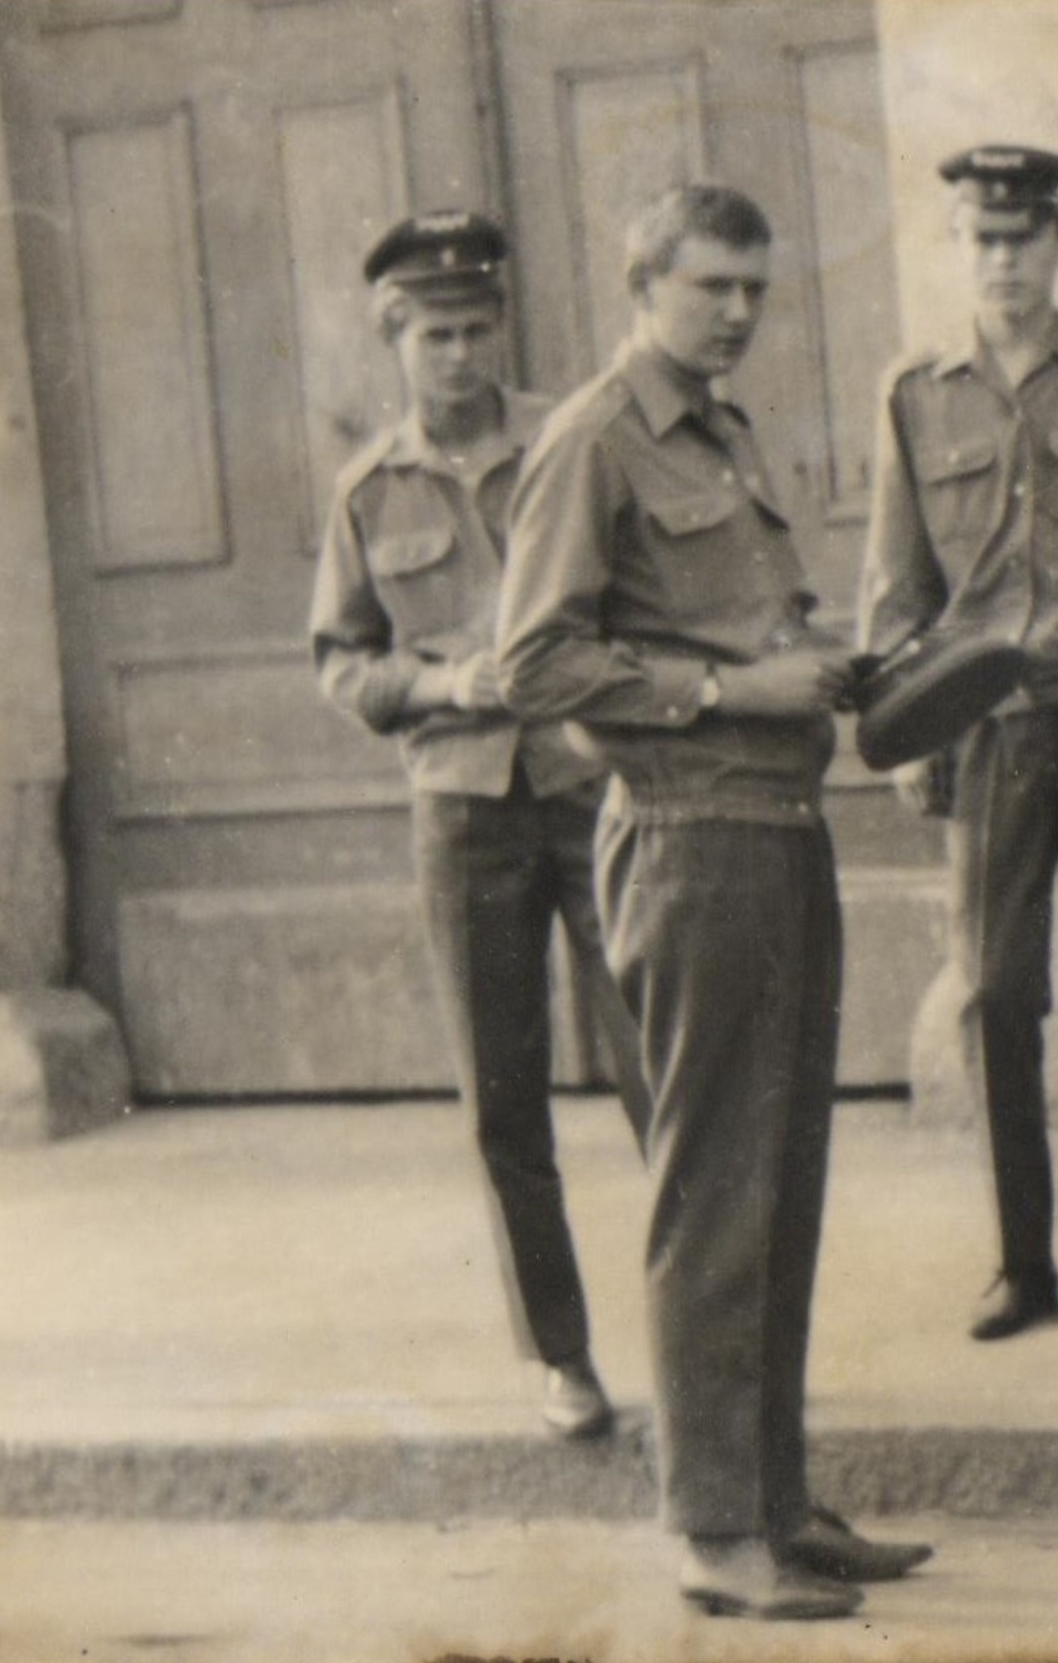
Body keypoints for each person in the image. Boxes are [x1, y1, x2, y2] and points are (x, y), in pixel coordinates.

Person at [496, 182, 930, 1623]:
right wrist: (735, 690)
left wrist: (822, 660)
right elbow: (533, 664)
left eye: (754, 287)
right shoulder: (592, 440)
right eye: (711, 288)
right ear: (643, 288)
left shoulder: (724, 431)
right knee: (714, 1193)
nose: (740, 311)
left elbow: (739, 622)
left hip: (778, 831)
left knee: (780, 1188)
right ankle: (712, 1529)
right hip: (689, 841)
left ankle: (776, 1503)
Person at [308, 209, 651, 1445]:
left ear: (500, 327)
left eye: (473, 329)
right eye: (432, 335)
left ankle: (713, 1330)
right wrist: (444, 683)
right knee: (502, 1099)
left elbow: (636, 589)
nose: (457, 355)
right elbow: (343, 662)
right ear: (392, 339)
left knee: (657, 1059)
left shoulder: (569, 439)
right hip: (462, 808)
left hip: (590, 782)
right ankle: (561, 1355)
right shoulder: (369, 490)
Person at [860, 145, 1058, 1343]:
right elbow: (895, 580)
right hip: (985, 723)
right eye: (982, 238)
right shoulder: (916, 392)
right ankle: (1019, 1257)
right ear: (958, 246)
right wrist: (903, 726)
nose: (1003, 261)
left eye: (1024, 236)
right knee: (994, 988)